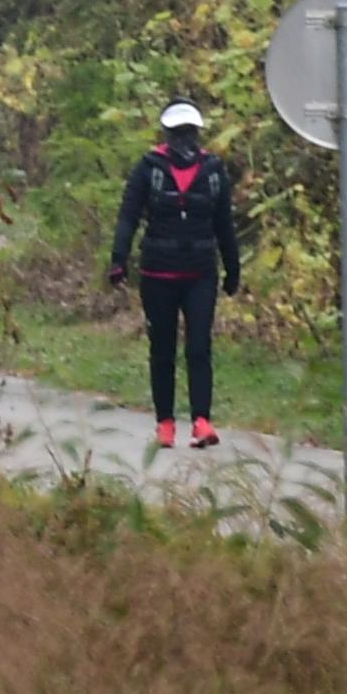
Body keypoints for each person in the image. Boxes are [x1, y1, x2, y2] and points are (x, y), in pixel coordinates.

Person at [107, 100, 242, 451]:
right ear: (167, 135)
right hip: (157, 273)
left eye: (189, 133)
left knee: (199, 348)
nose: (185, 140)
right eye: (179, 133)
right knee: (162, 350)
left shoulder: (213, 170)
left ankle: (202, 421)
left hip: (200, 273)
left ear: (197, 134)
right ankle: (165, 424)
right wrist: (118, 259)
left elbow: (224, 223)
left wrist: (233, 268)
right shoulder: (148, 168)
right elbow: (129, 216)